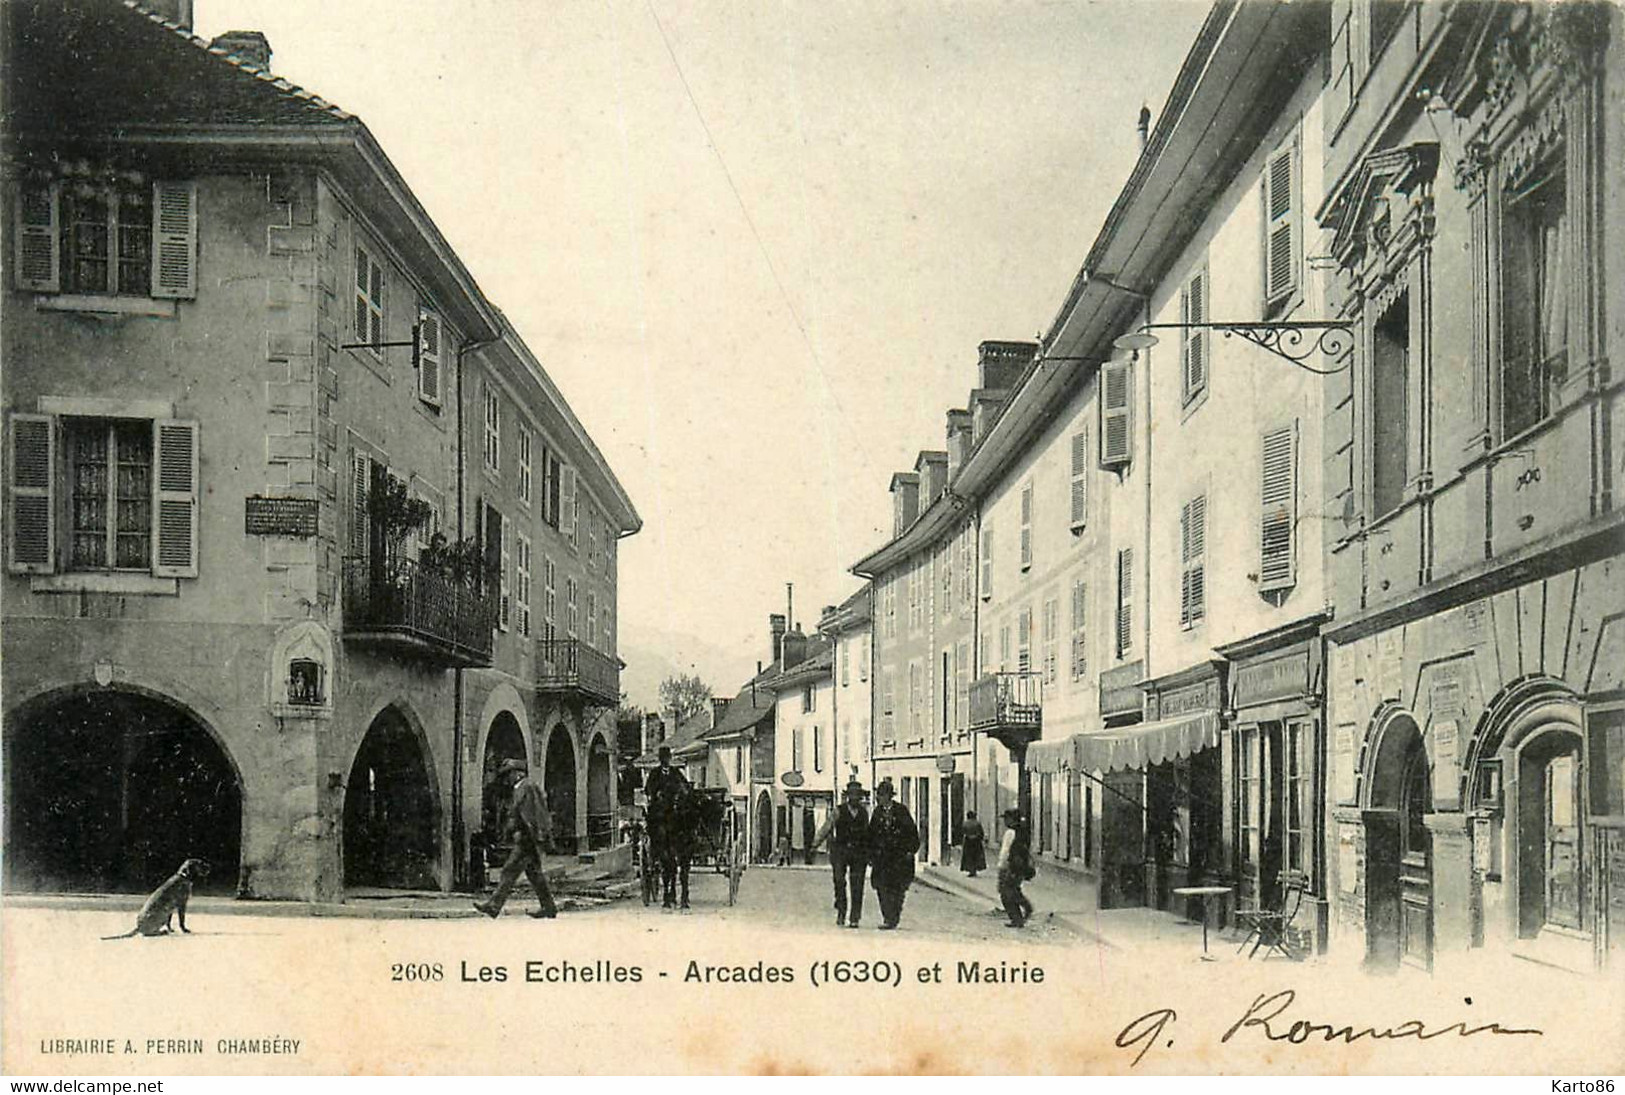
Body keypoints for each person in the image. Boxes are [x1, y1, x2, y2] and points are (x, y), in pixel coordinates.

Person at [473, 760, 559, 920]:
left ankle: (493, 906)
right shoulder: (521, 788)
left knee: (509, 870)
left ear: (518, 773)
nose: (507, 778)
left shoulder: (526, 787)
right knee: (535, 874)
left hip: (527, 837)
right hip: (527, 837)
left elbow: (533, 813)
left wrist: (531, 833)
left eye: (509, 774)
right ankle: (549, 907)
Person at [811, 780, 870, 928]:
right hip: (840, 851)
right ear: (848, 796)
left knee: (857, 884)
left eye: (858, 795)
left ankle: (855, 917)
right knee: (839, 881)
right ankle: (841, 911)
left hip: (858, 852)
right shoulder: (838, 811)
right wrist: (815, 844)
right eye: (853, 795)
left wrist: (870, 853)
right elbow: (827, 827)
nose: (855, 798)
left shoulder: (864, 813)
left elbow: (868, 833)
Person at [867, 779, 920, 930]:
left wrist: (911, 850)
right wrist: (870, 855)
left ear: (889, 796)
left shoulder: (901, 811)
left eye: (881, 795)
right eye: (878, 795)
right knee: (882, 889)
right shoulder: (877, 813)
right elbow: (871, 835)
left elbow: (912, 832)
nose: (878, 798)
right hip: (882, 859)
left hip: (898, 859)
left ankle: (894, 916)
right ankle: (887, 917)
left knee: (898, 890)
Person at [997, 807, 1036, 928]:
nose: (1005, 821)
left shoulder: (1011, 833)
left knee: (1006, 893)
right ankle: (1022, 912)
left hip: (1011, 866)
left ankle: (1019, 916)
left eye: (1007, 819)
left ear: (1012, 819)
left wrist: (1003, 866)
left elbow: (1007, 851)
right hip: (1017, 867)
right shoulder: (1022, 832)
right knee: (1013, 891)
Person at [960, 810, 987, 877]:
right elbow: (981, 833)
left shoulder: (965, 823)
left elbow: (963, 832)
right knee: (976, 856)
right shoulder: (977, 823)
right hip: (976, 842)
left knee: (969, 856)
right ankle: (974, 870)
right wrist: (980, 838)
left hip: (968, 842)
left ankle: (971, 870)